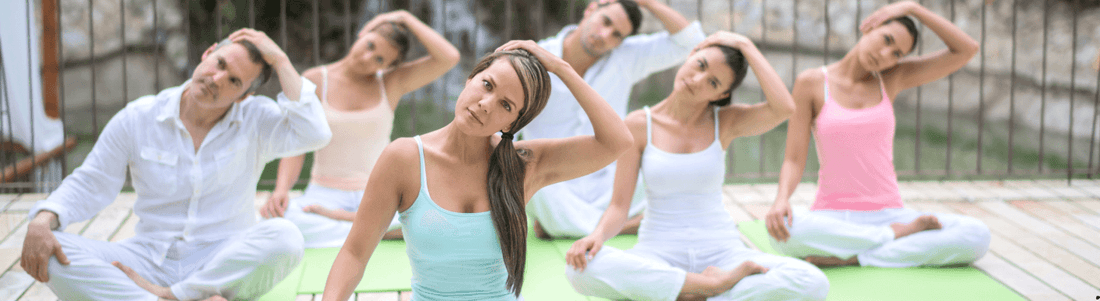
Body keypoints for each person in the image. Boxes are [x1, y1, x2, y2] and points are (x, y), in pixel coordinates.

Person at [19, 29, 332, 300]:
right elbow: (92, 181)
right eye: (219, 63)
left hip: (221, 262)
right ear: (207, 53)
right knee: (50, 247)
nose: (217, 79)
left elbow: (316, 133)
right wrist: (42, 220)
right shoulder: (138, 116)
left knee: (286, 238)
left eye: (234, 80)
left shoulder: (258, 120)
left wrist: (279, 59)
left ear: (243, 96)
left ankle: (168, 296)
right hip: (147, 257)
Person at [321, 40, 633, 300]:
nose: (486, 104)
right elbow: (355, 253)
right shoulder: (404, 158)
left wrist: (561, 67)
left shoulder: (524, 165)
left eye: (506, 105)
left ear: (512, 123)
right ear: (470, 79)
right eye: (487, 85)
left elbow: (616, 142)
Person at [564, 31, 829, 301]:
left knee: (813, 281)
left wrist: (745, 44)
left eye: (713, 82)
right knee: (579, 270)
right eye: (700, 65)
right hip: (658, 251)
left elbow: (784, 108)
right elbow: (620, 206)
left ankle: (682, 292)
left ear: (722, 93)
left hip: (723, 252)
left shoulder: (725, 122)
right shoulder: (638, 124)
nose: (698, 79)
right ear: (691, 55)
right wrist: (596, 236)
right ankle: (707, 289)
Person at [766, 1, 991, 268]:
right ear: (870, 26)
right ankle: (892, 239)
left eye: (896, 53)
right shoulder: (811, 82)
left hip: (890, 213)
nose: (885, 54)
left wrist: (914, 9)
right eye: (886, 39)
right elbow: (793, 159)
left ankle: (857, 257)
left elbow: (967, 49)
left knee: (977, 235)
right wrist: (781, 200)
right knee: (783, 235)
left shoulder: (892, 79)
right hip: (832, 217)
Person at [260, 10, 460, 245]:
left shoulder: (390, 83)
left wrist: (405, 17)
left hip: (378, 192)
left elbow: (449, 57)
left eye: (379, 60)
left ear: (387, 66)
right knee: (281, 223)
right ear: (362, 34)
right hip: (324, 194)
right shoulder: (315, 79)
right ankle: (374, 230)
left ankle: (347, 223)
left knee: (435, 219)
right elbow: (298, 143)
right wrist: (281, 190)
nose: (368, 58)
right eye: (370, 45)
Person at [526, 0, 706, 239]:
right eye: (606, 21)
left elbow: (693, 42)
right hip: (552, 181)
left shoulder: (625, 57)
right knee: (522, 172)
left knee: (669, 159)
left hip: (607, 180)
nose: (605, 35)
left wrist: (646, 3)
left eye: (617, 35)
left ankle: (567, 226)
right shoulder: (536, 57)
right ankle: (623, 225)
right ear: (591, 10)